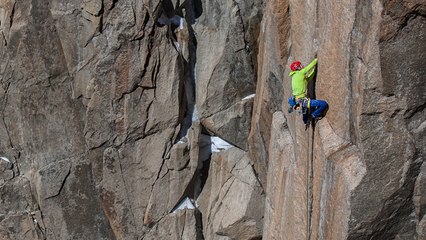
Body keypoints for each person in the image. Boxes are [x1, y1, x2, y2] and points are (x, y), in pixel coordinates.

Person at [288, 58, 328, 124]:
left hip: (298, 100)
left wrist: (314, 71)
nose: (302, 65)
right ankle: (314, 114)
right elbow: (309, 67)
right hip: (303, 101)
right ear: (298, 68)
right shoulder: (300, 73)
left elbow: (308, 78)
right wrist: (316, 60)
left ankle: (305, 120)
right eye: (300, 65)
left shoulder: (295, 76)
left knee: (305, 116)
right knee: (324, 104)